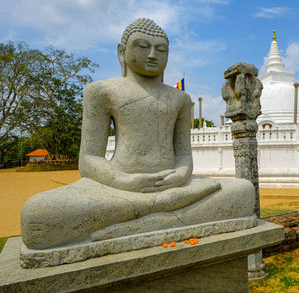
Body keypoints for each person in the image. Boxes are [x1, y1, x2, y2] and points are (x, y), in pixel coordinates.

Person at [21, 18, 255, 250]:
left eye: (161, 49)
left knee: (243, 191)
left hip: (174, 187)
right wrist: (125, 181)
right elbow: (89, 159)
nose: (153, 55)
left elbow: (183, 155)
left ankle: (147, 217)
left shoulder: (180, 98)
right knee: (38, 214)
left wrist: (181, 176)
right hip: (118, 188)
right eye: (143, 47)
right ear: (122, 51)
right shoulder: (101, 92)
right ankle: (160, 214)